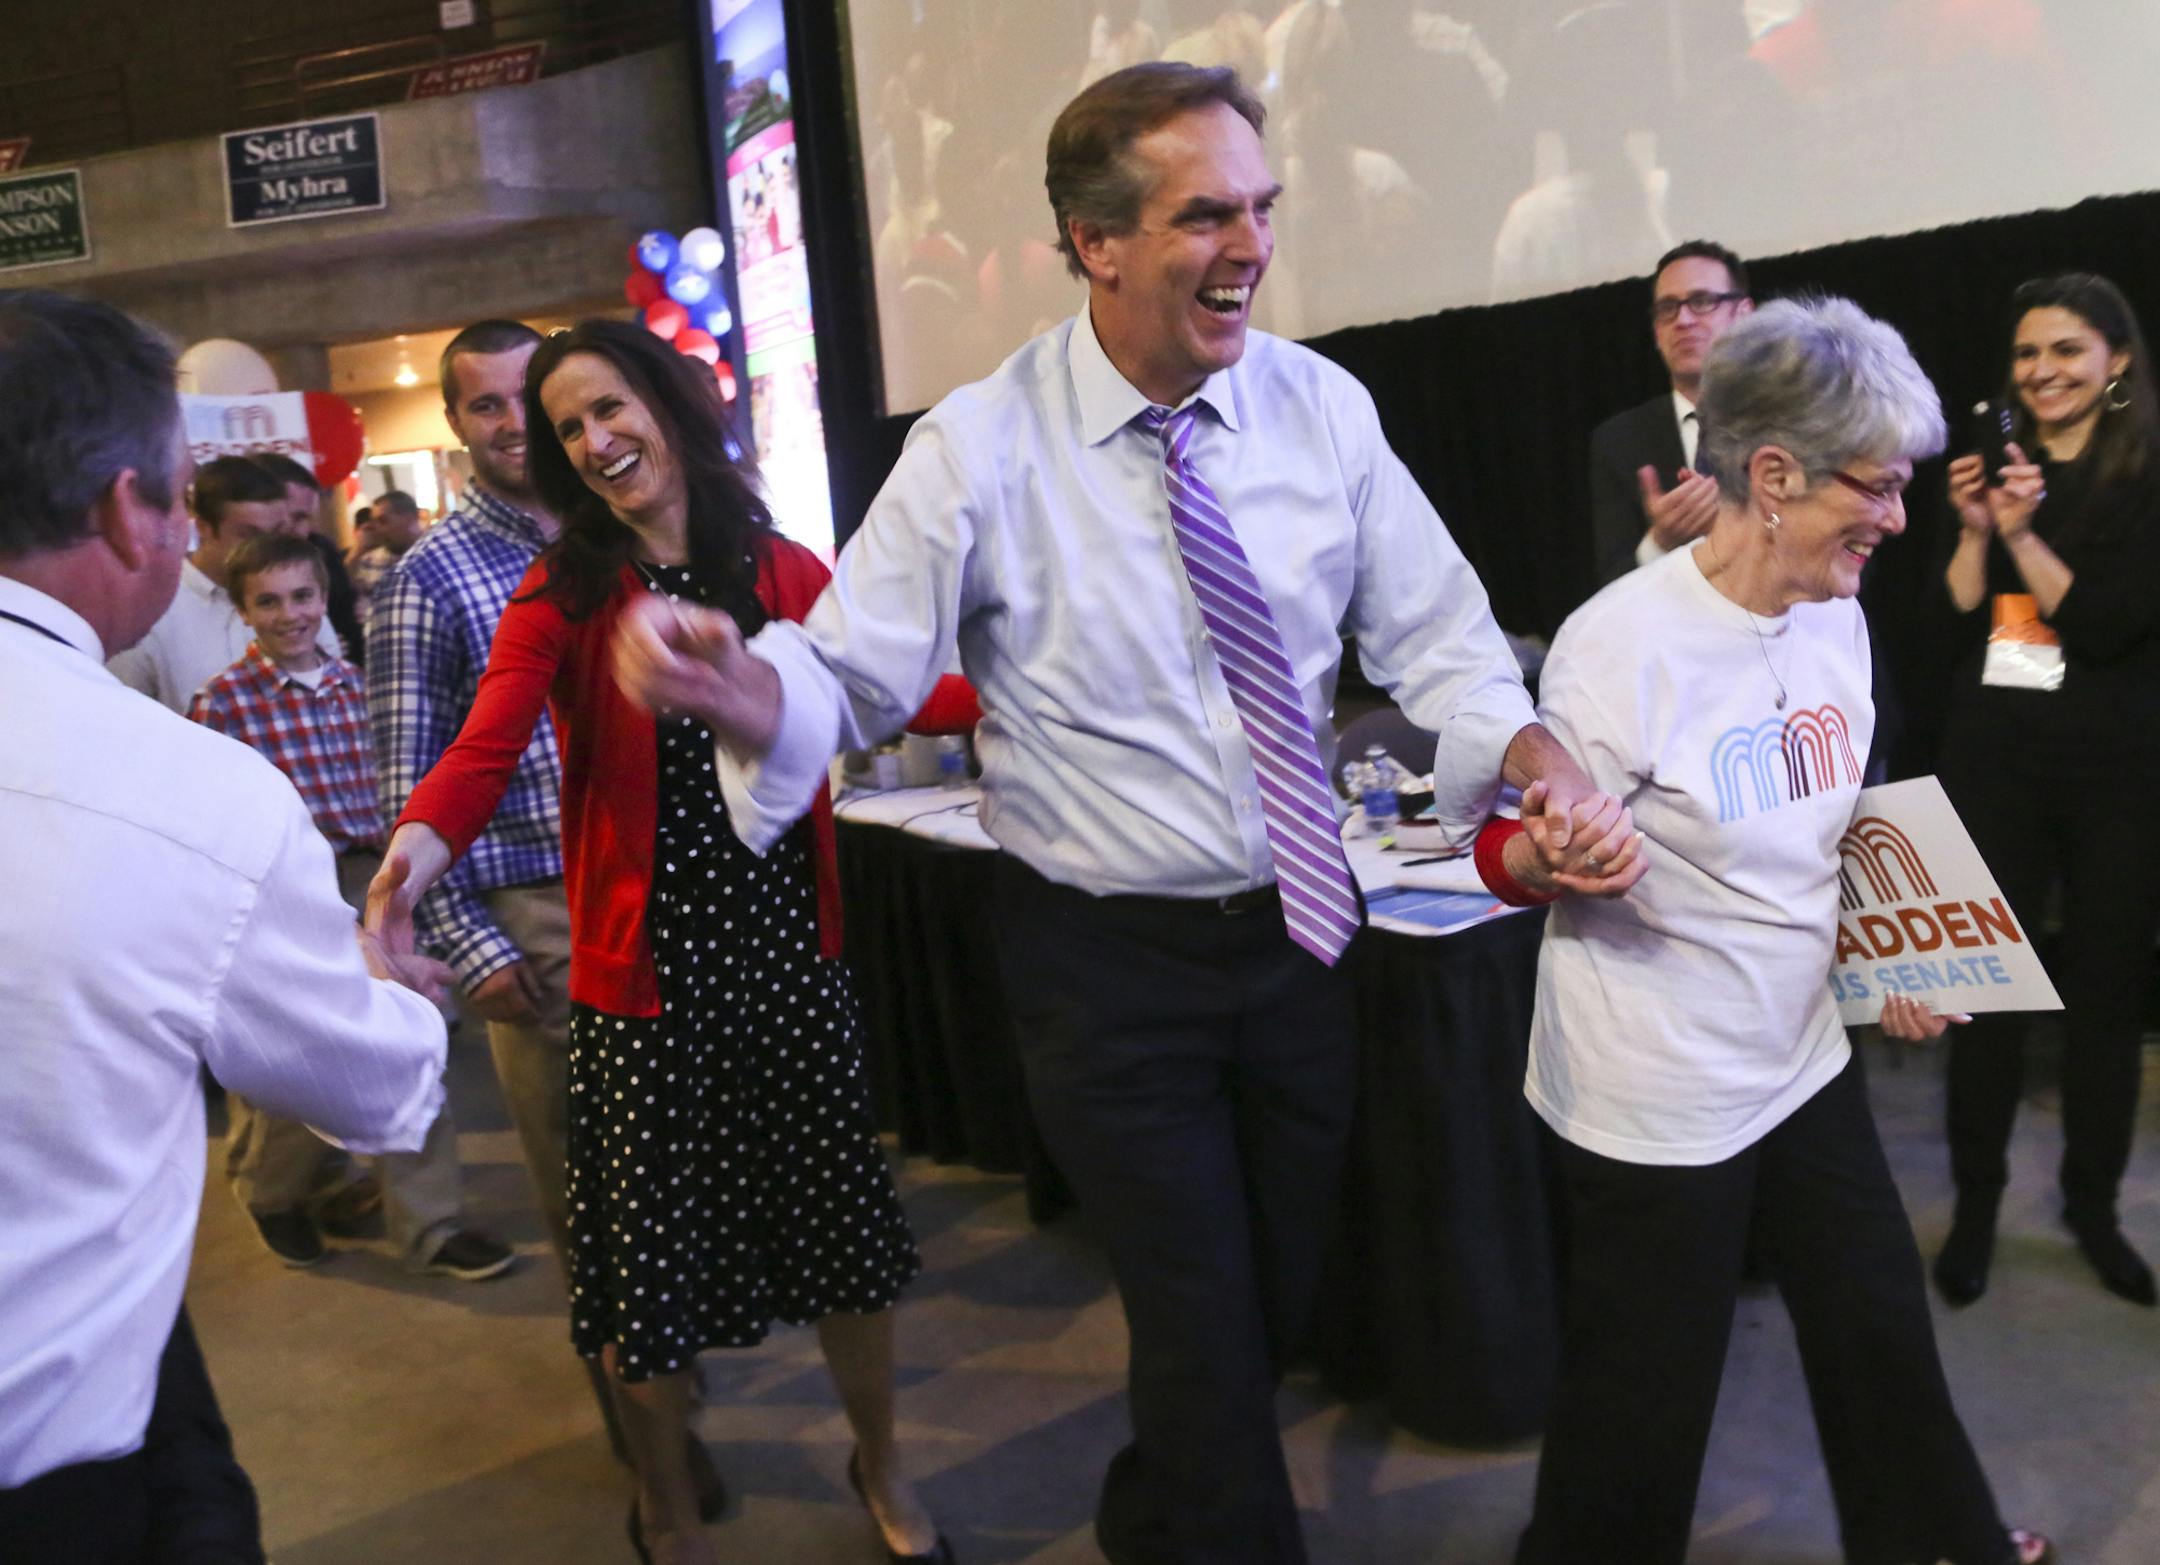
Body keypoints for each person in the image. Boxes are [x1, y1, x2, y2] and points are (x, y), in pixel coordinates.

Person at [613, 62, 1633, 1565]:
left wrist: (1538, 758)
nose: (1251, 243)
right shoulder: (980, 443)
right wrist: (732, 694)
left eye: (1262, 206)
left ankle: (1155, 1515)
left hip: (1301, 934)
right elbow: (851, 678)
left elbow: (1444, 643)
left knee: (1270, 1295)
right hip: (1103, 969)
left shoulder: (1320, 412)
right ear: (1094, 241)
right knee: (1204, 1313)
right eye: (1204, 213)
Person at [368, 319, 972, 1565]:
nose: (593, 442)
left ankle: (885, 1459)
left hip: (787, 966)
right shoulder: (567, 590)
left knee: (849, 1247)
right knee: (644, 1282)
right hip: (643, 986)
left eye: (608, 409)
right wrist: (412, 858)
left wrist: (1043, 674)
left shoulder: (780, 568)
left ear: (665, 403)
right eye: (569, 427)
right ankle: (664, 1496)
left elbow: (904, 686)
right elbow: (484, 747)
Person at [1517, 296, 2052, 1565]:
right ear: (1772, 474)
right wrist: (1554, 853)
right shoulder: (1619, 644)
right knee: (1638, 1412)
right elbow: (1543, 854)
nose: (1900, 517)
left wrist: (1897, 956)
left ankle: (1943, 1544)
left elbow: (1831, 823)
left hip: (1800, 1054)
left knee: (1878, 1329)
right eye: (1876, 486)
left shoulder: (1838, 612)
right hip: (1659, 1086)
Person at [0, 288, 449, 1558]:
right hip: (63, 1456)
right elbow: (372, 1090)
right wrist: (395, 982)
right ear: (122, 511)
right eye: (178, 495)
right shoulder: (188, 791)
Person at [188, 531, 514, 1281]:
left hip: (374, 878)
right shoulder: (223, 702)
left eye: (302, 596)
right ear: (243, 610)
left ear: (324, 597)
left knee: (407, 1037)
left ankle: (431, 1222)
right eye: (267, 601)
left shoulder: (360, 684)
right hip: (288, 888)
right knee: (304, 1055)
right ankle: (273, 1191)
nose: (289, 614)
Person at [1932, 271, 2160, 1308]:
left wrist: (2026, 531)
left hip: (2118, 768)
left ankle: (2094, 1206)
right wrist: (1980, 527)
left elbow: (2108, 625)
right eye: (2028, 353)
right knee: (1987, 997)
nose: (2044, 371)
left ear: (2116, 359)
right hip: (2003, 757)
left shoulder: (2146, 468)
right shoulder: (2003, 466)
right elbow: (1964, 618)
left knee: (2106, 999)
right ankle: (1976, 1204)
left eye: (2067, 350)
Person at [106, 454, 337, 713]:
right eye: (249, 535)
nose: (264, 547)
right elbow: (125, 712)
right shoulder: (153, 608)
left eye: (275, 533)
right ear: (204, 527)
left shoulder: (297, 602)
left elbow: (332, 687)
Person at [1586, 239, 1754, 589]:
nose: (1683, 320)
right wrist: (1661, 542)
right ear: (1656, 330)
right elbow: (1610, 590)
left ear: (1744, 313)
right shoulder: (1619, 440)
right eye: (1667, 308)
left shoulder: (1795, 419)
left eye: (1702, 301)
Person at [252, 450, 364, 662]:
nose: (301, 530)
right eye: (295, 517)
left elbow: (349, 634)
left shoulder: (321, 554)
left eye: (306, 518)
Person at [346, 488, 424, 630]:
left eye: (383, 521)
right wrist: (357, 550)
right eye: (374, 522)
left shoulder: (432, 557)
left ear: (410, 519)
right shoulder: (369, 561)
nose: (378, 529)